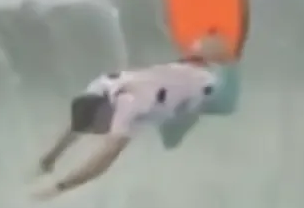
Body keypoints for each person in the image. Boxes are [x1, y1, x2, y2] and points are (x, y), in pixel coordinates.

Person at [33, 32, 242, 199]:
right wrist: (50, 158)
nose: (102, 132)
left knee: (227, 106)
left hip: (203, 89)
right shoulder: (98, 88)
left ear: (103, 112)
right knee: (170, 140)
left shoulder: (128, 105)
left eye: (99, 128)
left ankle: (228, 56)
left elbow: (103, 160)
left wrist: (60, 188)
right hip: (177, 75)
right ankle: (201, 51)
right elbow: (76, 125)